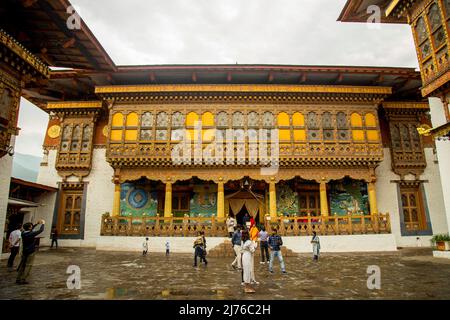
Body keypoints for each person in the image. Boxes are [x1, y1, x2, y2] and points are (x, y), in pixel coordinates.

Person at [16, 220, 45, 285]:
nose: (32, 227)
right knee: (28, 265)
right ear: (29, 228)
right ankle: (23, 279)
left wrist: (36, 224)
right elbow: (41, 230)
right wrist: (43, 224)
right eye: (31, 226)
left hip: (24, 251)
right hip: (30, 251)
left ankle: (18, 278)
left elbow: (31, 229)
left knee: (22, 265)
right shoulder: (31, 234)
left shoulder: (23, 233)